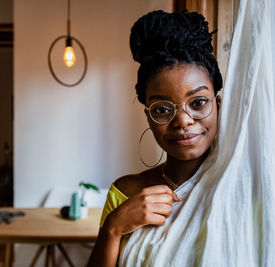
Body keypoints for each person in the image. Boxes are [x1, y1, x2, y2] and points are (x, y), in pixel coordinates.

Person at [87, 9, 222, 267]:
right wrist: (113, 229)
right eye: (162, 109)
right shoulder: (125, 192)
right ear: (149, 117)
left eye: (198, 102)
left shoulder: (240, 186)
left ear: (218, 105)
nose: (183, 120)